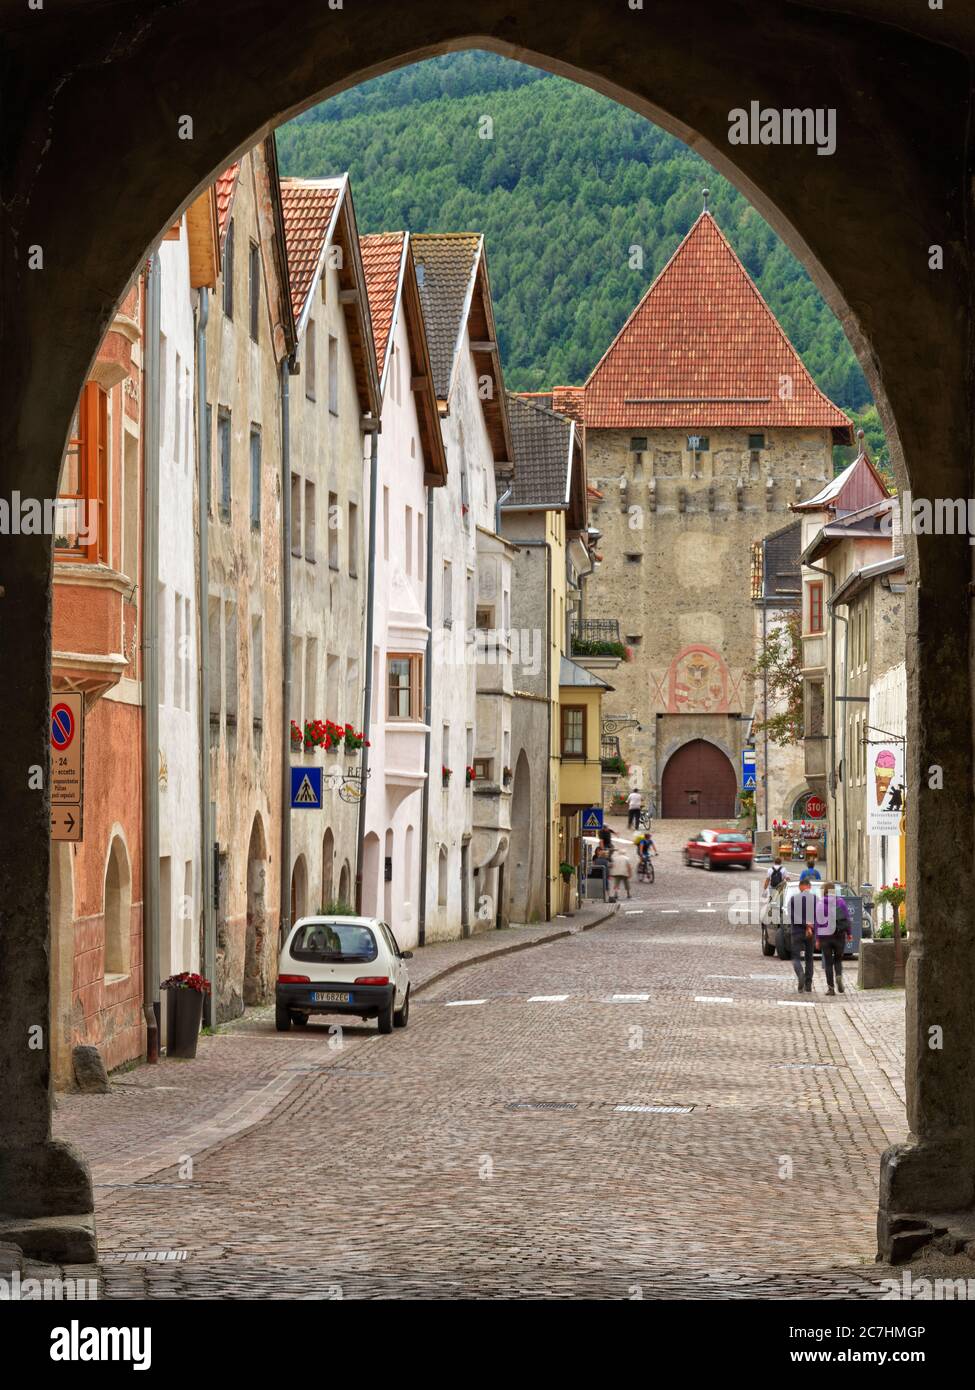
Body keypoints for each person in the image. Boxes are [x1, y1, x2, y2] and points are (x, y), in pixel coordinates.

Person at [816, 882, 851, 995]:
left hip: (825, 937)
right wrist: (849, 933)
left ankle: (831, 989)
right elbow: (847, 918)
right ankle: (839, 975)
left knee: (828, 963)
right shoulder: (840, 902)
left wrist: (817, 939)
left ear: (824, 891)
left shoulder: (820, 903)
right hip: (839, 935)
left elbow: (817, 923)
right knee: (838, 960)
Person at [788, 873, 817, 993]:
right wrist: (811, 925)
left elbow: (793, 916)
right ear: (808, 887)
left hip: (797, 932)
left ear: (801, 887)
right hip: (811, 933)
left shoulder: (794, 899)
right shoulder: (815, 899)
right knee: (809, 958)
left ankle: (800, 974)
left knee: (795, 957)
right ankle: (808, 984)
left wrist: (805, 924)